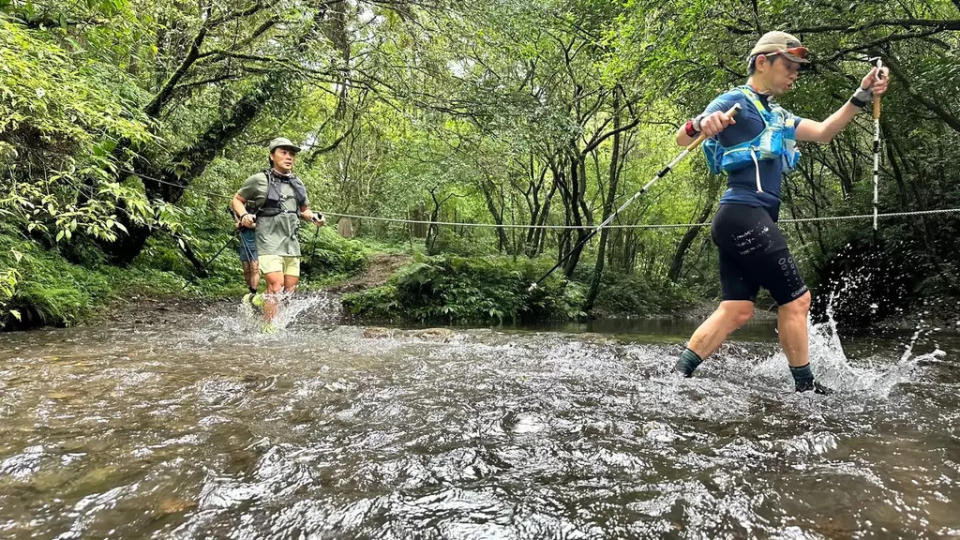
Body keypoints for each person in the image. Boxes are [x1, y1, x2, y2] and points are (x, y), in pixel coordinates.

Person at [673, 31, 889, 392]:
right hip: (744, 214)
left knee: (737, 310)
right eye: (789, 66)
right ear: (763, 62)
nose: (794, 74)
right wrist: (700, 124)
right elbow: (684, 137)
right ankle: (806, 389)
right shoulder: (735, 100)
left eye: (797, 69)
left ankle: (677, 376)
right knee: (797, 300)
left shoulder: (777, 114)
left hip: (739, 221)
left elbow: (823, 132)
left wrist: (862, 94)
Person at [231, 137, 325, 329]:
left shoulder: (297, 183)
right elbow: (237, 200)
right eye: (283, 152)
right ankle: (269, 328)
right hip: (268, 242)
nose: (289, 157)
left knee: (289, 291)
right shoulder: (258, 180)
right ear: (272, 156)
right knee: (276, 286)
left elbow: (305, 210)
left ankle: (258, 300)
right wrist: (244, 215)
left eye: (292, 154)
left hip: (291, 244)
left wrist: (315, 217)